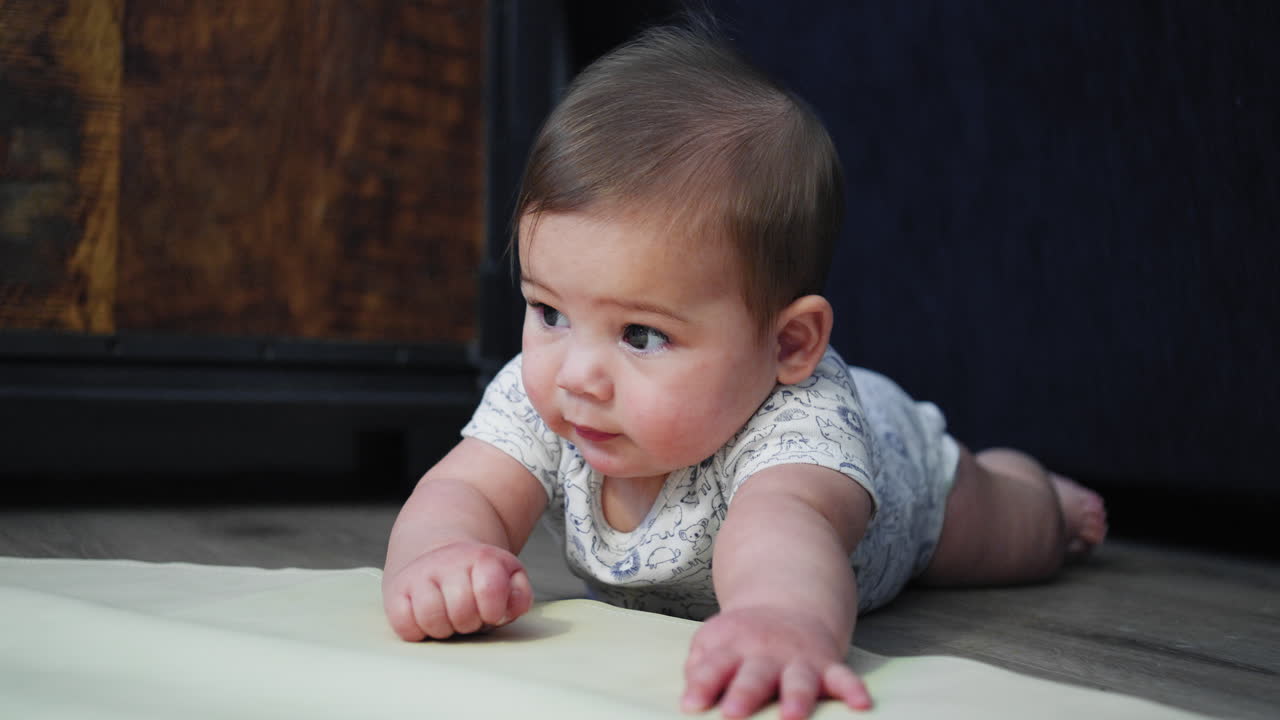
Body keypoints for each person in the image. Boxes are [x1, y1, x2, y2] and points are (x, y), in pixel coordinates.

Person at [381, 23, 1107, 720]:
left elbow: (779, 537)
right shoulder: (549, 391)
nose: (577, 375)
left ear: (788, 344)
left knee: (1008, 534)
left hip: (907, 474)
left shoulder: (799, 431)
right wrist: (442, 557)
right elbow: (464, 489)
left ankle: (1036, 489)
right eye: (549, 312)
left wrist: (779, 619)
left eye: (640, 334)